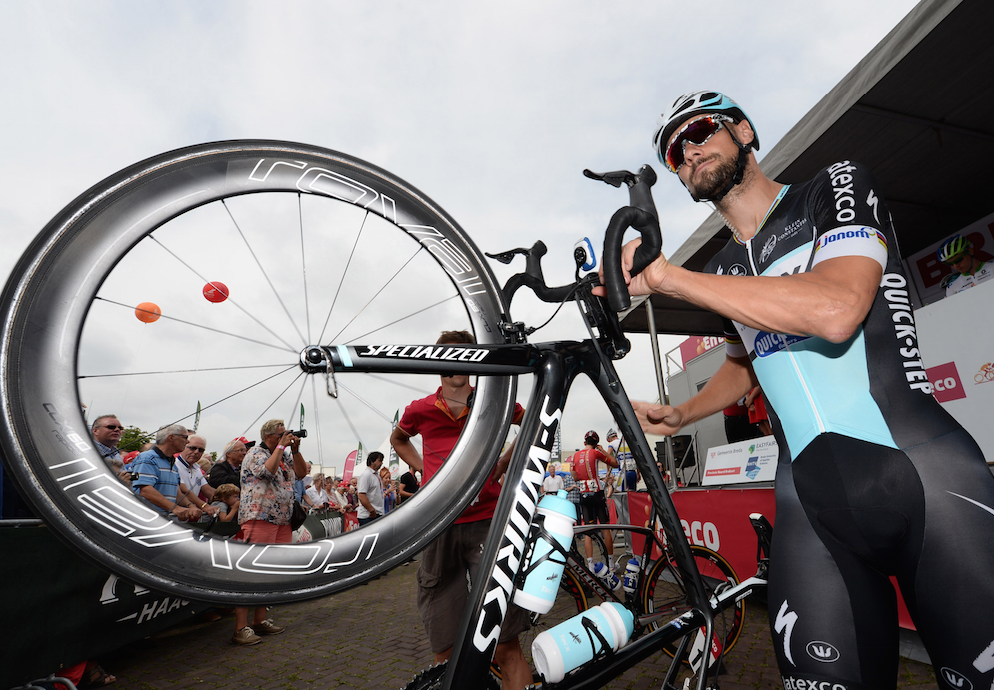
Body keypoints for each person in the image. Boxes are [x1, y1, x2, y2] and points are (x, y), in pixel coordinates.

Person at [604, 90, 994, 688]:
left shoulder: (831, 187)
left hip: (925, 482)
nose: (688, 152)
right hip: (811, 510)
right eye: (673, 152)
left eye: (700, 130)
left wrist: (667, 279)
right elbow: (745, 364)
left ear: (744, 130)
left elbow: (838, 308)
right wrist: (681, 413)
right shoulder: (723, 269)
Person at [390, 330, 531, 690]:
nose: (458, 363)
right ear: (439, 364)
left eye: (466, 355)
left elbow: (531, 421)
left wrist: (500, 463)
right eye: (451, 356)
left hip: (489, 522)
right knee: (445, 645)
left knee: (506, 642)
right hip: (441, 526)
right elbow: (398, 439)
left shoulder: (494, 400)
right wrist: (425, 469)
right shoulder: (420, 409)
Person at [233, 418, 306, 645]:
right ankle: (240, 628)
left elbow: (301, 474)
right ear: (269, 436)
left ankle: (259, 620)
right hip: (259, 517)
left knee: (272, 571)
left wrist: (294, 450)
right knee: (251, 572)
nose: (286, 436)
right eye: (282, 434)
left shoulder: (284, 454)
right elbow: (266, 472)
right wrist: (282, 447)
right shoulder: (256, 452)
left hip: (282, 519)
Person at [570, 430, 619, 572]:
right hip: (597, 494)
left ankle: (590, 566)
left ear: (584, 442)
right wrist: (603, 450)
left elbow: (574, 477)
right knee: (605, 528)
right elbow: (615, 463)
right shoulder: (596, 452)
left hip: (584, 494)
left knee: (587, 531)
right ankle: (611, 565)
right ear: (596, 443)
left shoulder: (575, 455)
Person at [131, 425, 202, 522]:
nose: (188, 441)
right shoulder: (147, 458)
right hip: (147, 520)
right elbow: (146, 490)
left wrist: (191, 506)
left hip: (163, 521)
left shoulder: (172, 462)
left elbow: (176, 492)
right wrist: (175, 508)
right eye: (185, 437)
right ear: (171, 437)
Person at [174, 434, 218, 516]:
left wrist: (229, 498)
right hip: (172, 514)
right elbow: (183, 491)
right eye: (192, 448)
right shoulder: (175, 465)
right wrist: (205, 506)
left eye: (201, 450)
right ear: (183, 446)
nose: (196, 452)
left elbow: (208, 490)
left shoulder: (196, 468)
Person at [355, 452, 385, 525]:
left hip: (376, 514)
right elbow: (361, 495)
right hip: (368, 516)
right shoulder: (366, 475)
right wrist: (372, 510)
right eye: (379, 460)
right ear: (372, 461)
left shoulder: (375, 475)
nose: (381, 463)